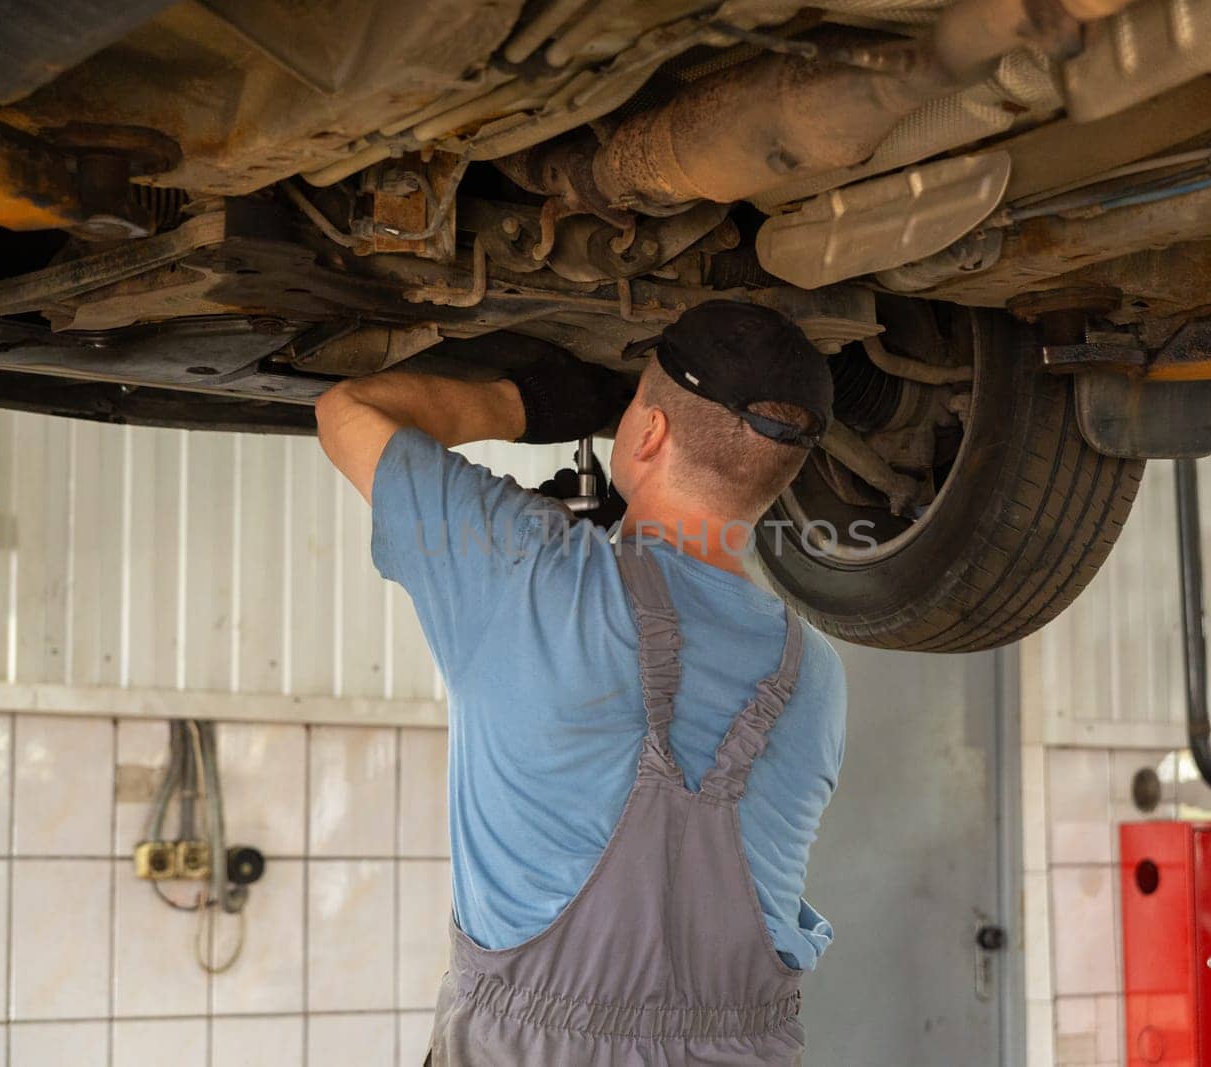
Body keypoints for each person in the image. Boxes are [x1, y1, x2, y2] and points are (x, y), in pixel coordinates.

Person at [315, 301, 848, 1065]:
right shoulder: (814, 675)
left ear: (651, 432)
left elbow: (347, 410)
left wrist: (522, 402)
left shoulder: (528, 575)